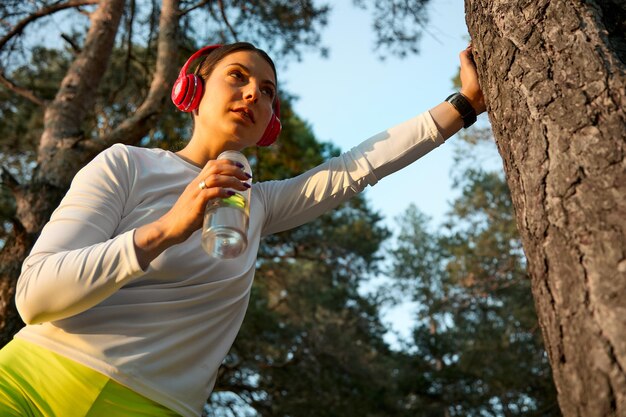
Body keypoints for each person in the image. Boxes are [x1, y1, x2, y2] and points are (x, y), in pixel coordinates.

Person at [0, 42, 485, 417]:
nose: (255, 92)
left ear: (268, 124)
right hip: (26, 383)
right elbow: (34, 296)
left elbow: (357, 167)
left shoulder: (261, 204)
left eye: (269, 92)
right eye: (238, 76)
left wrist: (465, 103)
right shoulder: (126, 165)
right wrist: (168, 228)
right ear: (193, 90)